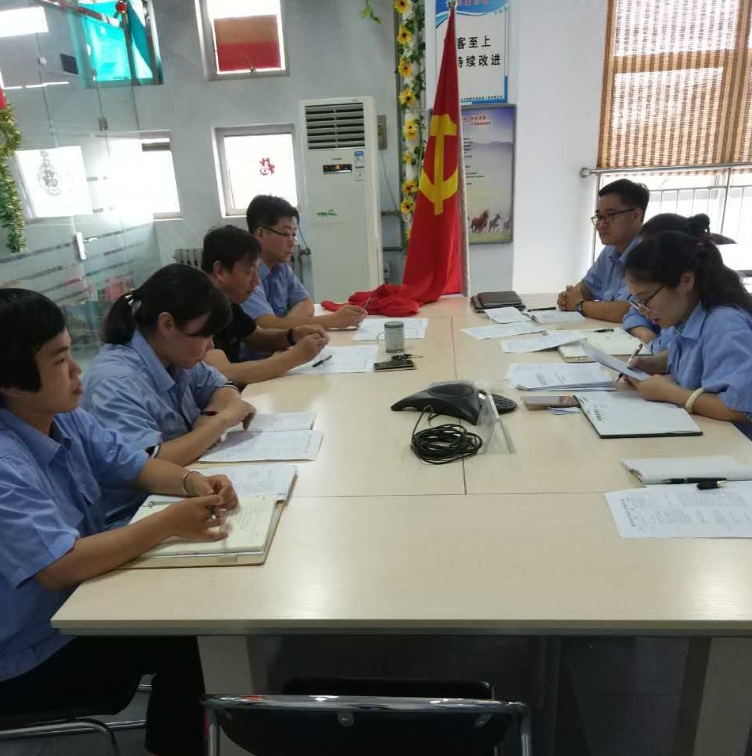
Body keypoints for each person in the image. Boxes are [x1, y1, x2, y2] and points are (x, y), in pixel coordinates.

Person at [0, 288, 239, 756]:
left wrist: (193, 482)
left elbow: (134, 464)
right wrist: (168, 523)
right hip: (31, 654)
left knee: (195, 612)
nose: (77, 370)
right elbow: (60, 567)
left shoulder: (61, 417)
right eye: (59, 360)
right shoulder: (6, 463)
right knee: (194, 636)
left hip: (80, 606)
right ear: (10, 381)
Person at [82, 263, 255, 526]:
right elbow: (149, 465)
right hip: (135, 516)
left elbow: (223, 387)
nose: (210, 345)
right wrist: (221, 421)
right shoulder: (115, 382)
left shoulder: (174, 354)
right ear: (167, 324)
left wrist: (209, 416)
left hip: (182, 490)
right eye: (204, 335)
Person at [622, 230, 752, 439]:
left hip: (736, 445)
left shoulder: (725, 326)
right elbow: (696, 354)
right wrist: (655, 363)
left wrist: (671, 393)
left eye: (646, 299)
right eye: (637, 302)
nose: (643, 311)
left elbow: (742, 408)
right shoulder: (685, 316)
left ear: (685, 281)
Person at [201, 225, 329, 384]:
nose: (256, 282)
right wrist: (295, 356)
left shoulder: (227, 303)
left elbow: (260, 337)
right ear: (220, 271)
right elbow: (224, 373)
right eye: (249, 272)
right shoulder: (196, 308)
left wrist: (293, 334)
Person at [242, 194, 367, 333]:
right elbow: (266, 326)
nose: (292, 242)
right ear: (260, 233)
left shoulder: (281, 267)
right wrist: (332, 320)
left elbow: (306, 303)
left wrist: (286, 325)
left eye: (294, 234)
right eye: (286, 234)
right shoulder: (245, 273)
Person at [557, 179, 653, 339]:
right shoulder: (611, 249)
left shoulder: (650, 253)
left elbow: (626, 310)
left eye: (610, 215)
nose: (601, 224)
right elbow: (586, 287)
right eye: (599, 217)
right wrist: (568, 297)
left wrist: (579, 305)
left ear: (636, 215)